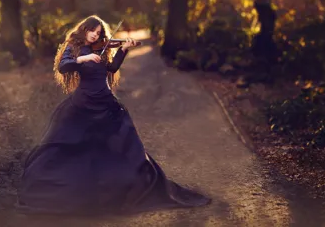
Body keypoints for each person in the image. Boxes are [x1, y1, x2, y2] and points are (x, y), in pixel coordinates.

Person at [16, 15, 211, 216]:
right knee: (73, 147)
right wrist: (83, 58)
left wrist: (124, 49)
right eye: (92, 31)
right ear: (84, 30)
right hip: (82, 105)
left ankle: (122, 189)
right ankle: (75, 191)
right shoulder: (73, 48)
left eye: (99, 33)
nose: (95, 35)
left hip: (107, 105)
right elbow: (64, 66)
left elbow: (111, 68)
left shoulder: (102, 49)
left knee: (123, 148)